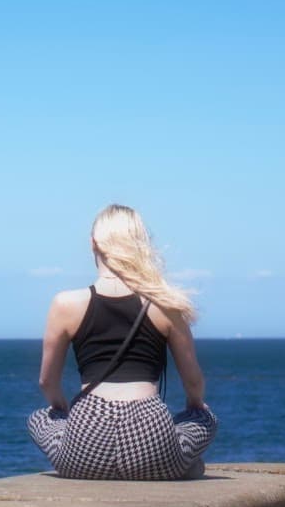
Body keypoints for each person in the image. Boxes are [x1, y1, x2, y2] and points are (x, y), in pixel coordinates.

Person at [27, 204, 218, 479]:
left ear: (93, 243)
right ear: (141, 244)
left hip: (87, 435)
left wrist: (64, 410)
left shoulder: (65, 303)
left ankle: (92, 460)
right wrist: (194, 406)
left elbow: (47, 383)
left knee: (38, 419)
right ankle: (178, 463)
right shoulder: (166, 304)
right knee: (206, 419)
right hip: (150, 435)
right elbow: (194, 383)